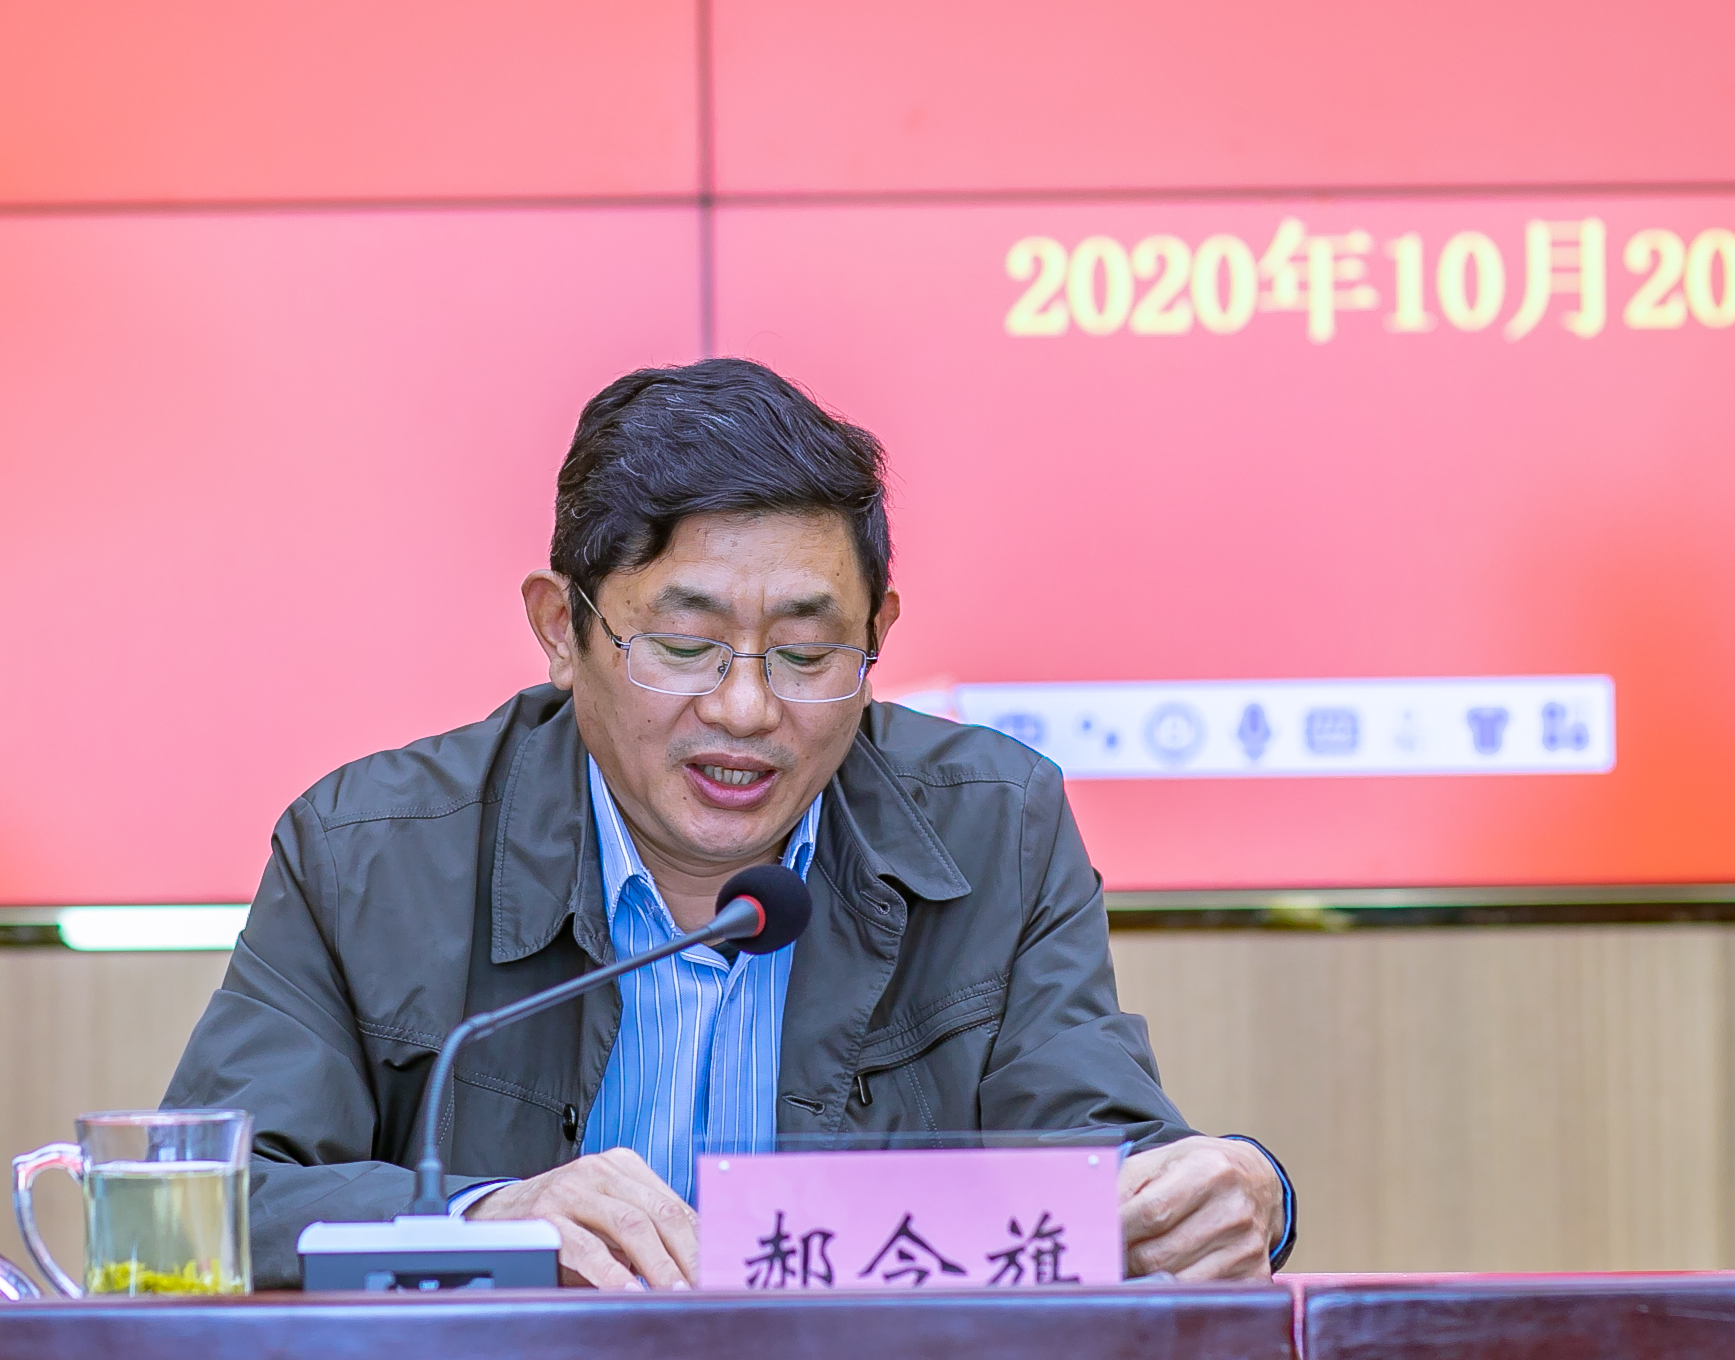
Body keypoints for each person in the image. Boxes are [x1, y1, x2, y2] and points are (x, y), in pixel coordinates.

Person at [162, 357, 1295, 1289]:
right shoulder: (368, 852)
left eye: (806, 652)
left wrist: (1239, 1192)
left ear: (877, 637)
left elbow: (1106, 1172)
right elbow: (199, 1209)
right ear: (561, 630)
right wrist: (483, 1218)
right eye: (684, 645)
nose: (746, 709)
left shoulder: (997, 829)